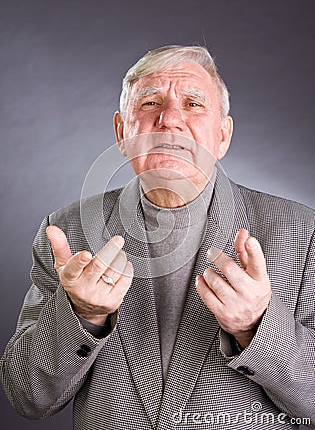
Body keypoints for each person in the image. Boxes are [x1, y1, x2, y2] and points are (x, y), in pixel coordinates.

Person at [0, 45, 314, 430]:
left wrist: (257, 327)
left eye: (194, 104)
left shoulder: (304, 233)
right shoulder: (67, 230)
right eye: (150, 102)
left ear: (222, 136)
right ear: (121, 132)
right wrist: (80, 315)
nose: (169, 120)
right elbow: (26, 398)